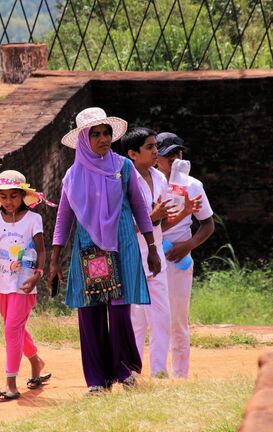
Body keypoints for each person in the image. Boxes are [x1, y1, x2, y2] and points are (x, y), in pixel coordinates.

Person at [49, 107, 161, 394]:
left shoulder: (123, 167)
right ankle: (97, 381)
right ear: (85, 140)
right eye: (95, 134)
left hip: (122, 245)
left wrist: (151, 247)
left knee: (121, 311)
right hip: (90, 250)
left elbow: (139, 207)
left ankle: (123, 372)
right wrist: (54, 261)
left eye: (106, 132)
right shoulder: (73, 176)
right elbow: (64, 219)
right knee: (91, 313)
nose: (103, 139)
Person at [0, 170, 52, 402]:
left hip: (24, 286)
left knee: (11, 331)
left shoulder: (33, 219)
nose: (8, 201)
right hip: (2, 286)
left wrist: (38, 273)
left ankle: (11, 383)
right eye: (3, 197)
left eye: (13, 196)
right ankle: (36, 362)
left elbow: (41, 250)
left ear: (23, 195)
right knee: (14, 329)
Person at [116, 127, 175, 378]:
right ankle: (132, 372)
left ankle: (159, 371)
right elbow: (123, 226)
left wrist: (170, 216)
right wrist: (153, 217)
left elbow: (161, 221)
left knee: (162, 317)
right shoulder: (122, 181)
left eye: (155, 146)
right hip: (133, 257)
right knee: (136, 320)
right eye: (149, 147)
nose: (155, 152)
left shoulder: (160, 178)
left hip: (155, 255)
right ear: (132, 153)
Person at [156, 132, 215, 379]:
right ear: (155, 157)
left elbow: (208, 224)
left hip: (178, 256)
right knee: (145, 317)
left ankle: (180, 376)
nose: (174, 159)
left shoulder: (192, 185)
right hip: (151, 250)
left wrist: (188, 245)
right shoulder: (149, 183)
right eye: (168, 155)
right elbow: (149, 227)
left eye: (177, 153)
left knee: (178, 319)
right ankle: (152, 372)